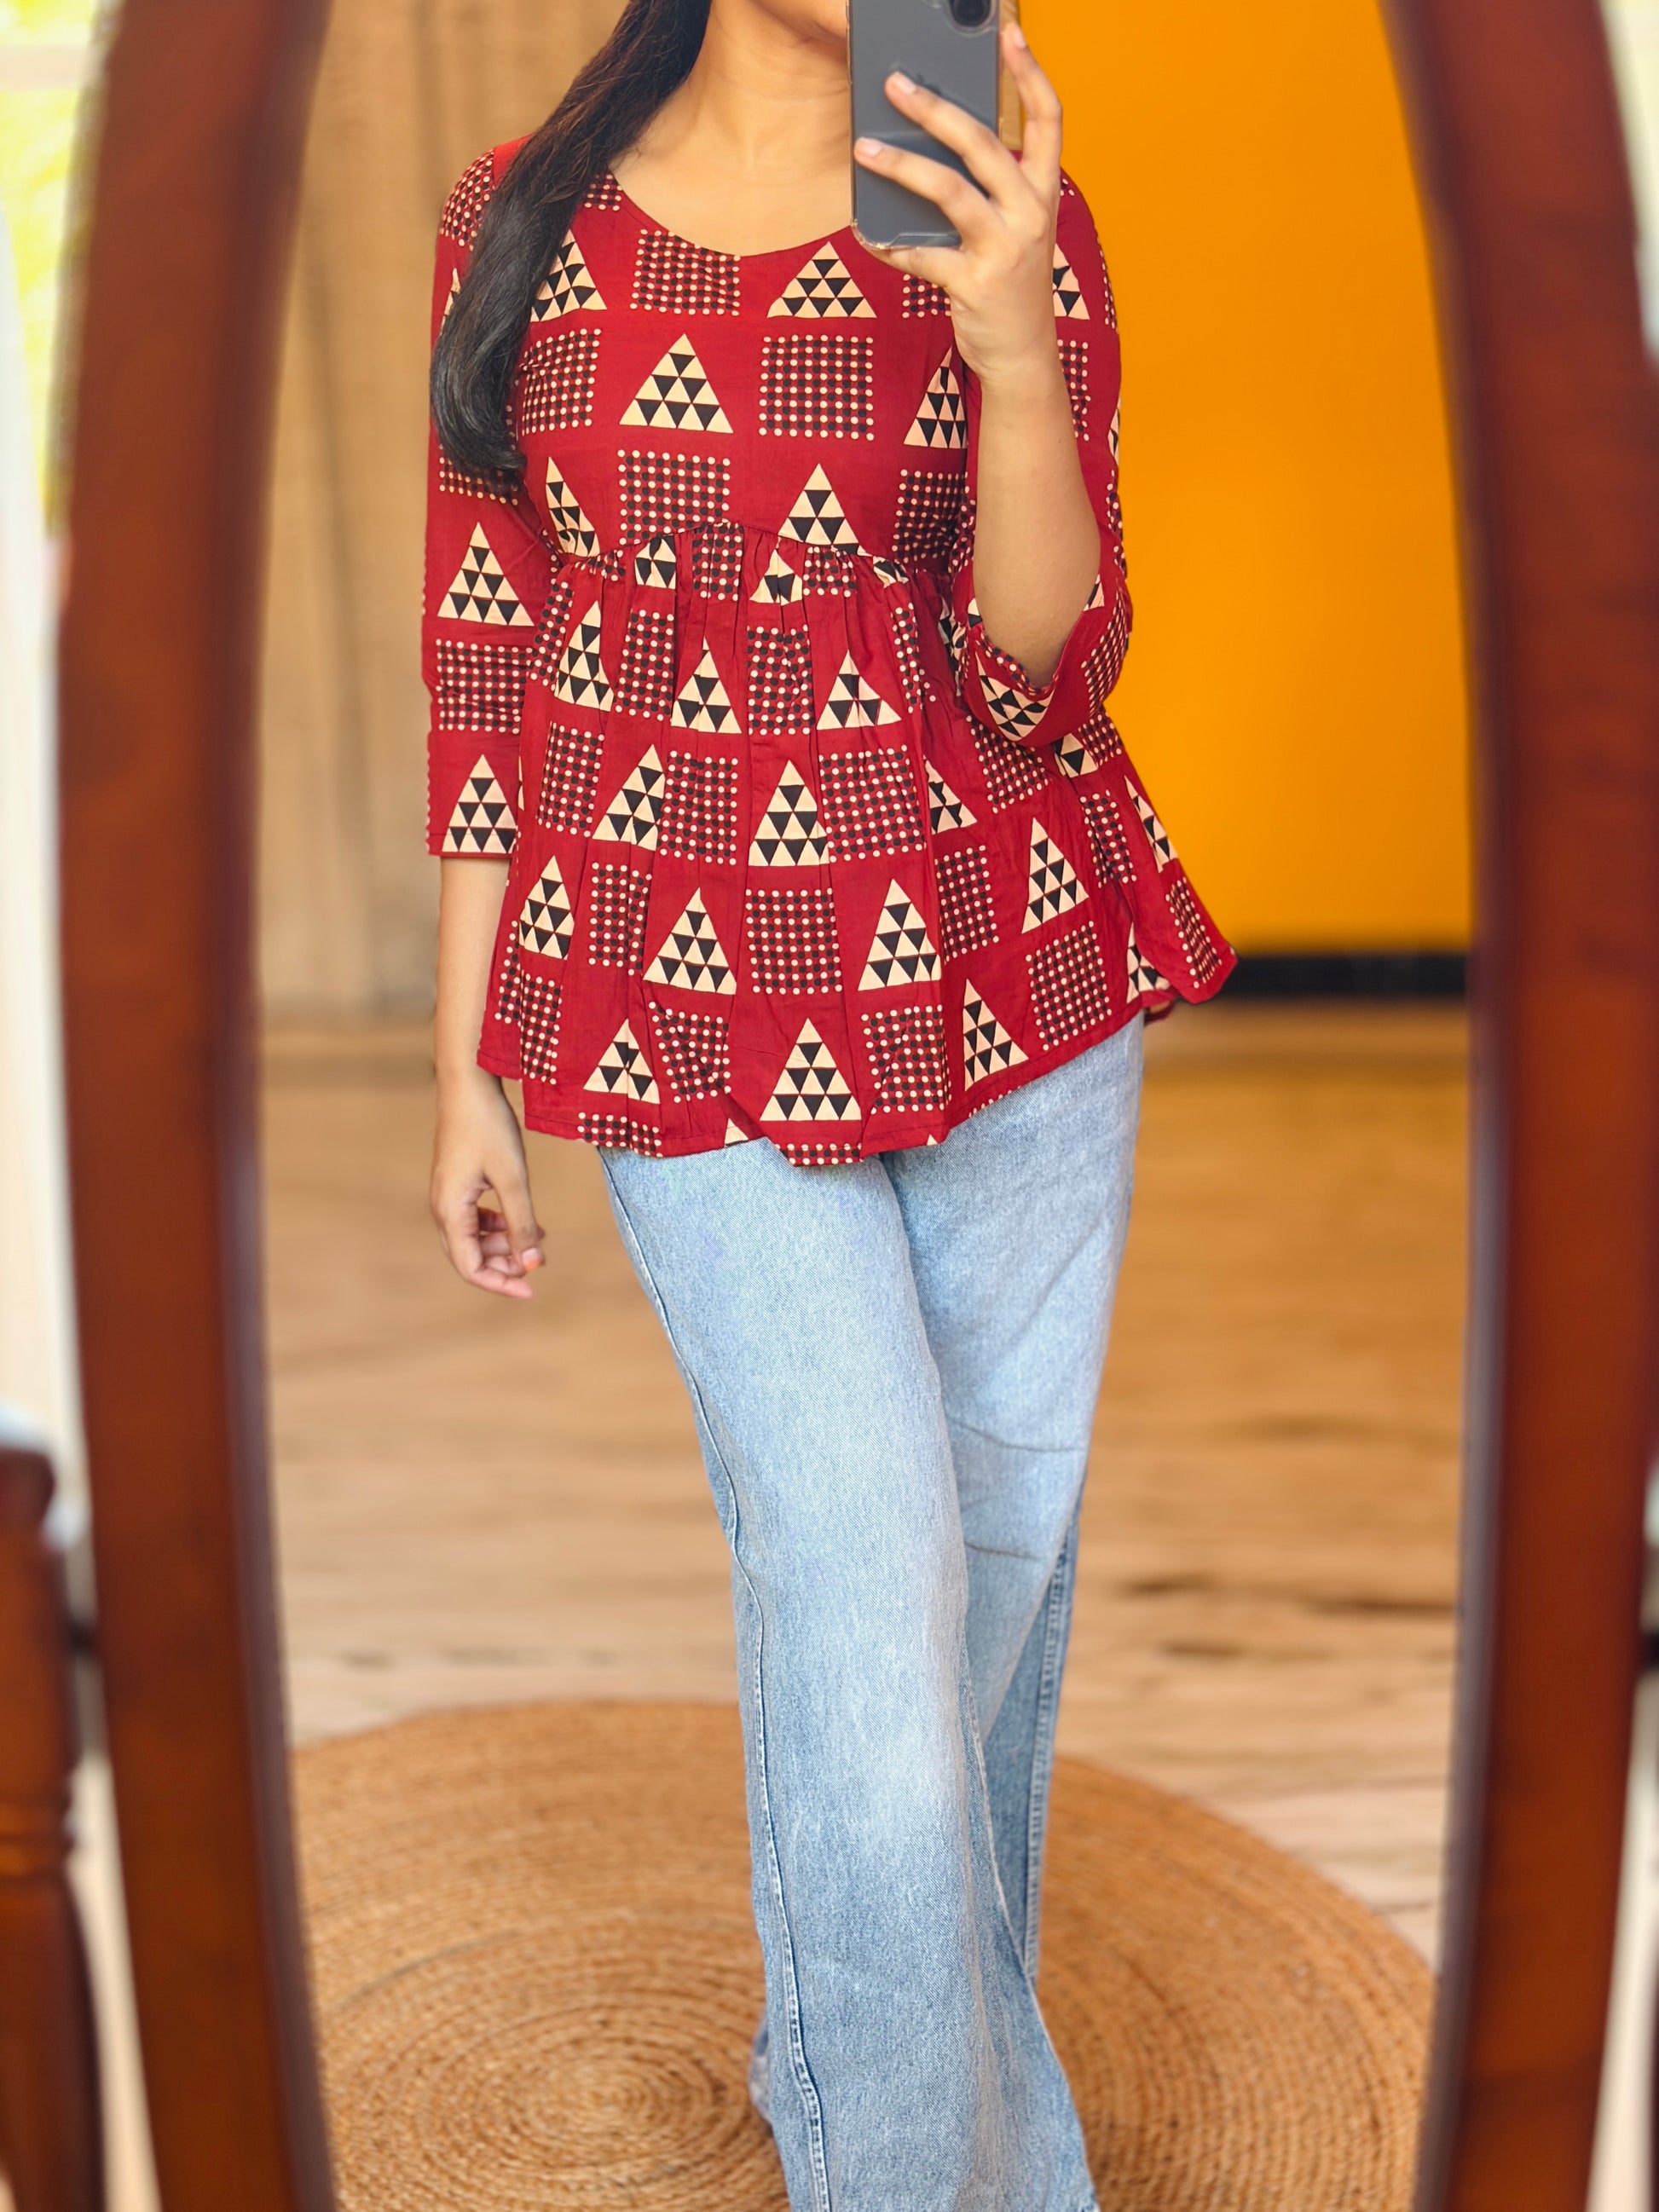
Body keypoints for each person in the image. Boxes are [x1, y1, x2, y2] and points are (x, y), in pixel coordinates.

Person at [423, 1, 1231, 2203]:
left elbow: (1045, 673)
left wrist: (1014, 339)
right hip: (679, 999)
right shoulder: (522, 224)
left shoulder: (998, 212)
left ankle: (895, 2109)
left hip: (1016, 986)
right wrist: (464, 1061)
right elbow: (489, 645)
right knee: (873, 1641)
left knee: (979, 1633)